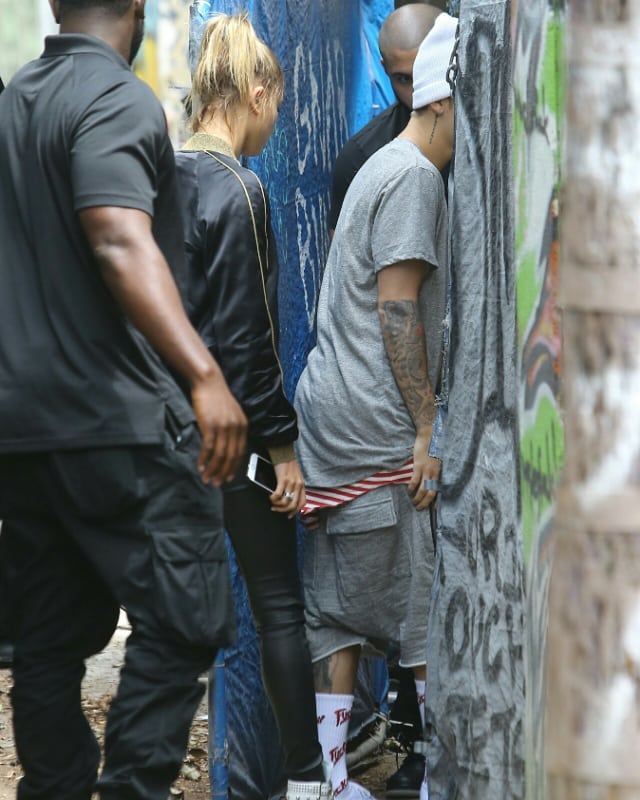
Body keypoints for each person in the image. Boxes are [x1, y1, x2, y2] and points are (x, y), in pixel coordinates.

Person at [0, 1, 248, 798]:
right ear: (138, 7)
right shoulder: (115, 97)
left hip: (26, 437)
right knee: (187, 615)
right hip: (119, 424)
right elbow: (114, 232)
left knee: (44, 642)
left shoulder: (12, 103)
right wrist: (205, 375)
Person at [294, 13, 458, 800]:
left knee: (335, 613)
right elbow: (400, 312)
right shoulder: (416, 179)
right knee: (416, 605)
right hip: (374, 430)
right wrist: (428, 427)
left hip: (330, 422)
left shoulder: (380, 163)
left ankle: (334, 780)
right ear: (442, 106)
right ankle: (432, 782)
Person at [174, 13, 330, 800]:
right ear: (257, 94)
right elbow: (251, 344)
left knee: (171, 615)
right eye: (276, 106)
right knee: (276, 606)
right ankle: (306, 782)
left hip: (162, 436)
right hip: (232, 438)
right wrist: (287, 451)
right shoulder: (241, 189)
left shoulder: (158, 176)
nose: (275, 121)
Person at [328, 3, 442, 234]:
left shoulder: (492, 139)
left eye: (425, 74)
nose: (417, 93)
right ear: (386, 68)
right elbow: (349, 263)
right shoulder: (360, 157)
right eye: (403, 79)